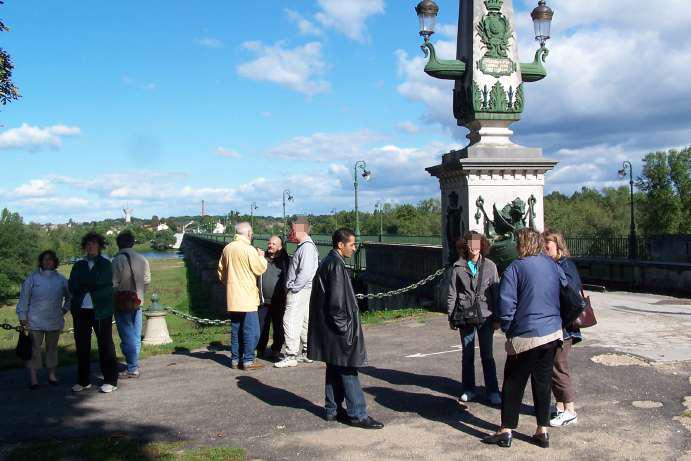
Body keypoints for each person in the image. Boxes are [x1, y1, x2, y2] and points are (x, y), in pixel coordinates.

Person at [482, 228, 564, 449]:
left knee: (513, 383)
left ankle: (506, 430)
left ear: (522, 244)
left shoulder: (515, 268)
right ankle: (542, 431)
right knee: (543, 382)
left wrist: (508, 329)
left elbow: (507, 304)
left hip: (526, 333)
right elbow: (564, 290)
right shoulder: (552, 265)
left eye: (518, 241)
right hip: (553, 332)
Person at [307, 228, 383, 429]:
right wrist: (345, 332)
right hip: (339, 331)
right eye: (352, 244)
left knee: (334, 367)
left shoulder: (328, 262)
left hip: (329, 330)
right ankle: (358, 414)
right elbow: (337, 304)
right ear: (341, 245)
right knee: (348, 370)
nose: (355, 248)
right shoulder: (337, 266)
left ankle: (332, 410)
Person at [447, 231, 501, 405]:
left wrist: (498, 317)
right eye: (470, 243)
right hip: (465, 315)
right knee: (467, 354)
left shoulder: (490, 266)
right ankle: (468, 389)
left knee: (487, 355)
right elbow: (452, 293)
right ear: (465, 246)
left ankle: (493, 390)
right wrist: (451, 315)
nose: (474, 247)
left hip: (486, 315)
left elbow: (496, 292)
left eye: (477, 243)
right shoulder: (458, 267)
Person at [68, 232, 119, 393]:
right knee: (82, 345)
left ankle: (110, 380)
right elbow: (73, 285)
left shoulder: (105, 264)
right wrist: (90, 285)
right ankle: (83, 381)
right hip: (81, 309)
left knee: (105, 344)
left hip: (101, 309)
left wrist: (86, 284)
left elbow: (103, 282)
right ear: (85, 246)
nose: (90, 246)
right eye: (88, 244)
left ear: (99, 246)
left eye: (94, 243)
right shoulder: (78, 265)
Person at [16, 250, 71, 389]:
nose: (48, 262)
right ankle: (34, 379)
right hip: (34, 321)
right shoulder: (32, 278)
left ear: (55, 262)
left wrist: (64, 310)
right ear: (41, 261)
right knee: (34, 350)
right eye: (45, 259)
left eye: (50, 259)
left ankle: (51, 375)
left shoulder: (61, 279)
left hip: (54, 320)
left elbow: (71, 297)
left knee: (52, 349)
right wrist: (23, 317)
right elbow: (24, 298)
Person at [543, 230, 582, 427]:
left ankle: (570, 410)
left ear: (558, 246)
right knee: (551, 366)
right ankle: (559, 407)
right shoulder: (555, 265)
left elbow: (573, 298)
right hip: (557, 325)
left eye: (547, 247)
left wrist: (563, 322)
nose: (544, 250)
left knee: (559, 367)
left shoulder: (565, 266)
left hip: (564, 327)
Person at [217, 222, 268, 370]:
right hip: (248, 298)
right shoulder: (249, 249)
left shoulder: (227, 248)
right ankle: (248, 360)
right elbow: (259, 269)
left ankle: (235, 359)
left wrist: (230, 283)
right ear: (249, 234)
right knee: (252, 331)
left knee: (236, 329)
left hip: (233, 296)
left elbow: (221, 272)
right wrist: (262, 257)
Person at [275, 217, 319, 368]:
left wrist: (293, 287)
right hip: (304, 289)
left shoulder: (306, 247)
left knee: (290, 320)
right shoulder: (306, 246)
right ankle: (307, 352)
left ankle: (291, 355)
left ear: (300, 229)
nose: (290, 232)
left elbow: (305, 272)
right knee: (303, 321)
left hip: (299, 290)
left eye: (293, 229)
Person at [112, 230, 151, 379]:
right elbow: (147, 279)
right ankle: (133, 363)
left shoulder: (117, 260)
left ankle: (132, 367)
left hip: (121, 302)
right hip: (137, 301)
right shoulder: (142, 259)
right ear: (132, 243)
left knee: (127, 334)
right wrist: (140, 292)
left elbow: (113, 283)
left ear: (118, 244)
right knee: (135, 334)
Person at [256, 235, 290, 360]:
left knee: (278, 326)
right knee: (261, 326)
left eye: (274, 244)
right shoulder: (262, 257)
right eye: (269, 243)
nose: (270, 245)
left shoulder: (284, 260)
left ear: (280, 246)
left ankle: (276, 349)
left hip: (279, 299)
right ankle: (260, 348)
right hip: (263, 300)